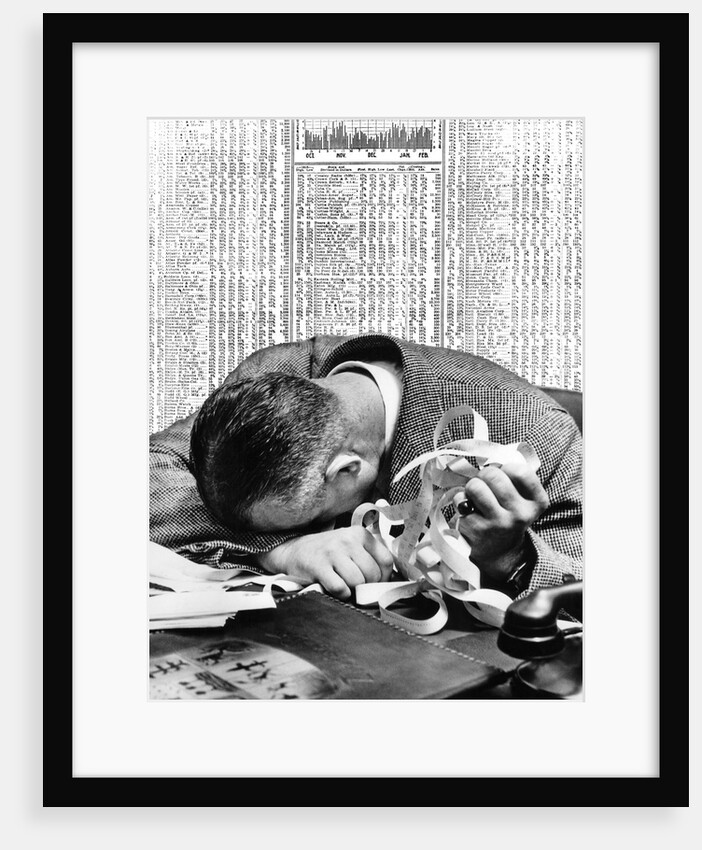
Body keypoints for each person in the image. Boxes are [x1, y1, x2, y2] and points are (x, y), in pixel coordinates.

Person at [150, 333, 582, 601]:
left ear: (346, 470)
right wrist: (282, 550)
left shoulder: (537, 427)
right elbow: (149, 478)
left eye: (308, 518)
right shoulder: (266, 380)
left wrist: (510, 559)